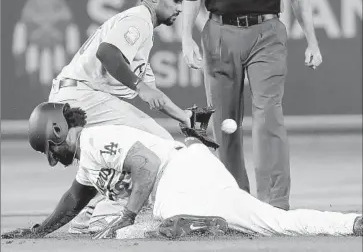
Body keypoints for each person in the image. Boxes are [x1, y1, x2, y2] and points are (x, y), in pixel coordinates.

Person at [2, 102, 361, 240]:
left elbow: (149, 166)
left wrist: (125, 216)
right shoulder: (89, 157)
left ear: (57, 131)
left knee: (139, 226)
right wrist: (40, 231)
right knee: (272, 222)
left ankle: (197, 223)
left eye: (49, 149)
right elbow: (73, 200)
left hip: (180, 177)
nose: (52, 157)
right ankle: (352, 224)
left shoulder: (95, 140)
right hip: (194, 175)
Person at [46, 0, 198, 233]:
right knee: (160, 144)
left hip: (76, 94)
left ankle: (91, 216)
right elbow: (108, 53)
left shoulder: (143, 32)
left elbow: (154, 96)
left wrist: (185, 118)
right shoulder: (139, 19)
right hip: (83, 94)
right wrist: (139, 87)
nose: (180, 8)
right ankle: (112, 213)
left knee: (114, 151)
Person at [181, 0, 323, 211]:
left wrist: (312, 41)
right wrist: (185, 37)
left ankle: (274, 203)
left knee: (269, 115)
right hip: (219, 34)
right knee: (224, 121)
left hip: (266, 34)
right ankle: (234, 199)